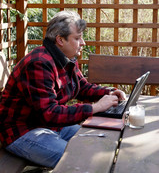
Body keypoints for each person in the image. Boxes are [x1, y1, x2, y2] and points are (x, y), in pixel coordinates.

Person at [0, 11, 126, 168]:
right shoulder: (39, 63)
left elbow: (81, 87)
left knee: (100, 143)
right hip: (22, 131)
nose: (83, 43)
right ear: (60, 40)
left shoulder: (68, 58)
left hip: (48, 126)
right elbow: (49, 113)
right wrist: (95, 108)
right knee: (79, 160)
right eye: (77, 38)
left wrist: (108, 92)